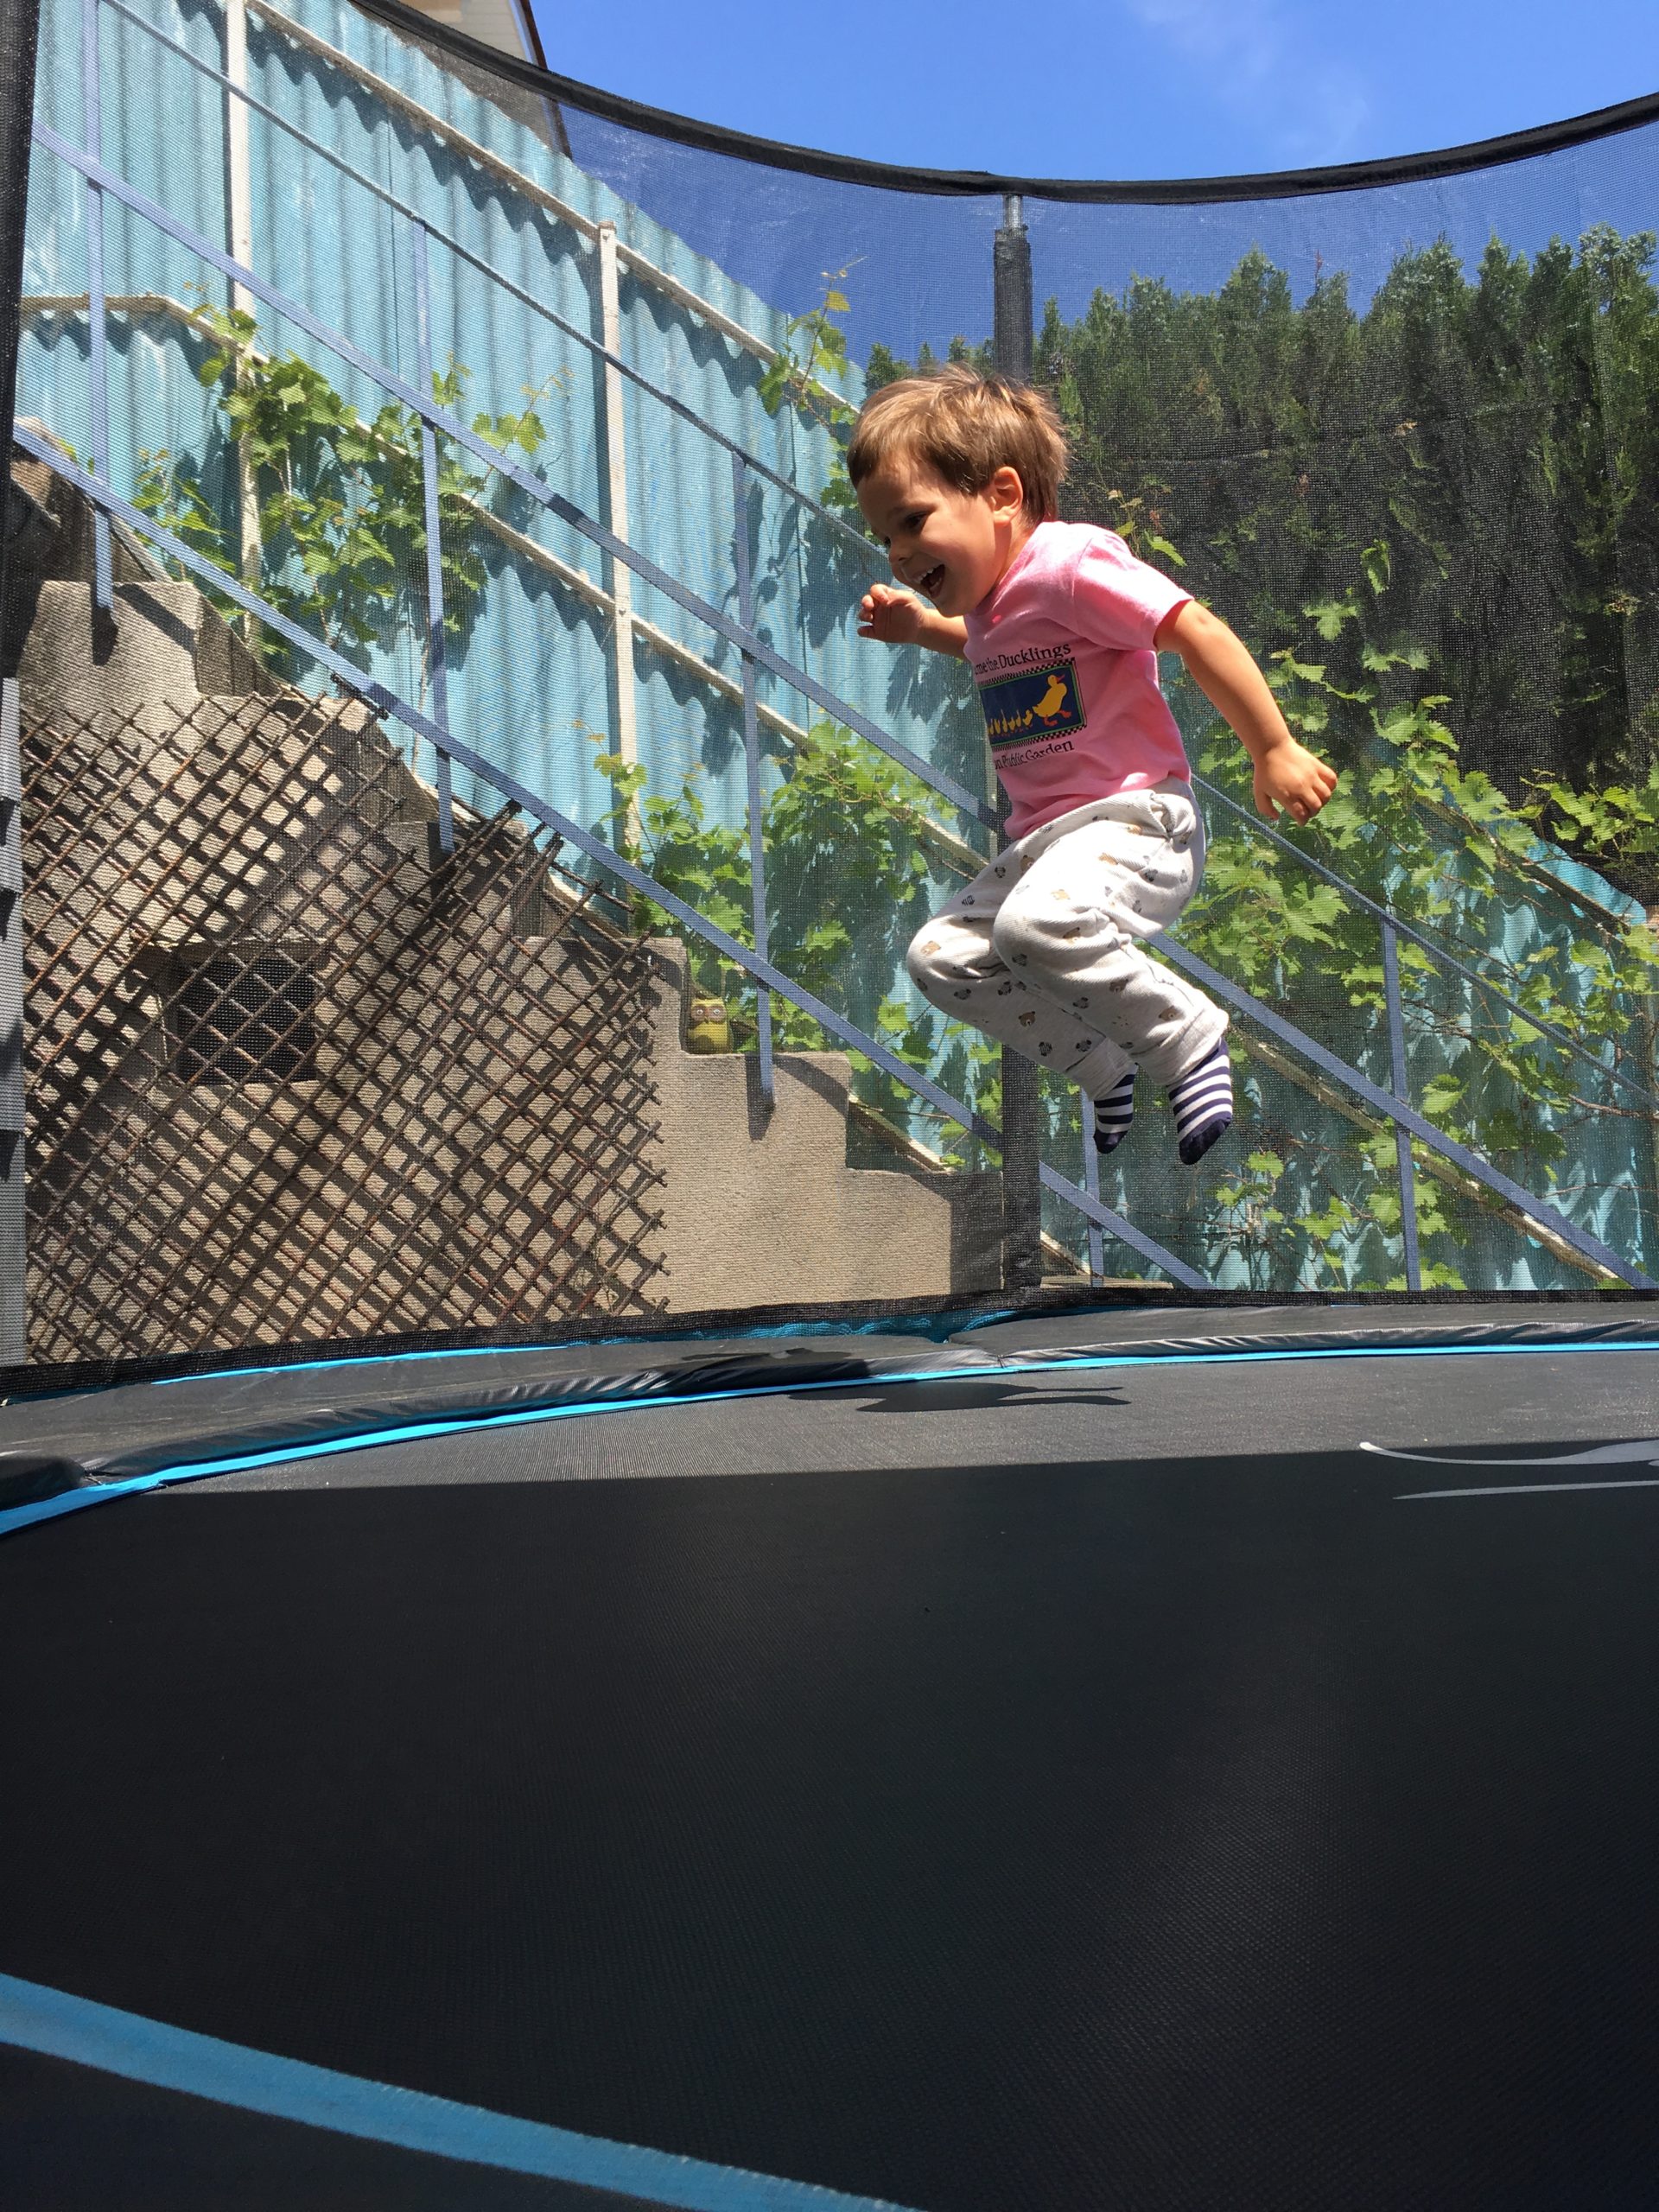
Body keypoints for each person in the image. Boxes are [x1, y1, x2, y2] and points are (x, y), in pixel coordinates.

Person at [849, 365, 1337, 1165]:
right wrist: (923, 629)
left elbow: (1192, 626)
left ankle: (1186, 1036)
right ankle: (1102, 1065)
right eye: (886, 538)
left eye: (912, 521)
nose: (900, 554)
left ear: (1002, 495)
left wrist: (1272, 747)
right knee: (940, 958)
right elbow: (988, 646)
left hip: (1138, 821)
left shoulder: (1070, 564)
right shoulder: (993, 605)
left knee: (1033, 927)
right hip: (1047, 844)